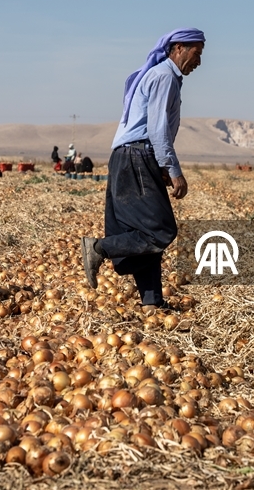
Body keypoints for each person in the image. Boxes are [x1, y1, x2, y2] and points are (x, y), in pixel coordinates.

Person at [81, 28, 205, 309]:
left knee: (143, 231)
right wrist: (173, 169)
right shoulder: (164, 77)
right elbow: (158, 128)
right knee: (160, 230)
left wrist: (158, 165)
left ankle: (152, 302)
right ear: (178, 49)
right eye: (196, 54)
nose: (199, 62)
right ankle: (98, 248)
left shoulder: (164, 76)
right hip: (136, 156)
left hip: (130, 157)